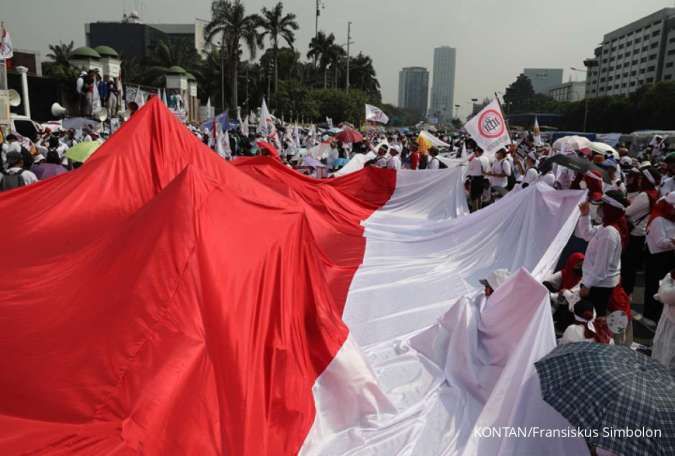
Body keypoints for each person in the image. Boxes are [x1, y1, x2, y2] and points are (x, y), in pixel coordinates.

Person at [576, 191, 629, 342]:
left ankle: (598, 342)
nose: (599, 210)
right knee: (595, 319)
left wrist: (587, 285)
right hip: (599, 282)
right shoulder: (607, 228)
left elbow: (602, 266)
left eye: (603, 207)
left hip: (599, 285)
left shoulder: (609, 233)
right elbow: (587, 234)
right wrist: (585, 215)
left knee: (595, 320)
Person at [622, 166, 661, 296]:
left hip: (635, 232)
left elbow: (628, 212)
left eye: (641, 178)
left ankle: (627, 290)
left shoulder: (645, 195)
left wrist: (626, 203)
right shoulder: (655, 192)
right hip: (642, 232)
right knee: (632, 264)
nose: (639, 181)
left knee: (628, 265)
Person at [644, 192, 675, 323]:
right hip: (657, 258)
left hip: (668, 256)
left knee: (666, 285)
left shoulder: (670, 217)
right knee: (655, 285)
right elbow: (659, 242)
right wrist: (673, 241)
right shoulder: (658, 219)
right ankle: (651, 315)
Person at [652, 268, 675, 374]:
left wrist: (667, 279)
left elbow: (667, 295)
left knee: (665, 358)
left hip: (671, 325)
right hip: (669, 319)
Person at [467, 146, 490, 212]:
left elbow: (469, 168)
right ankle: (480, 210)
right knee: (480, 195)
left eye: (475, 152)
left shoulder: (475, 159)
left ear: (477, 152)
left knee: (474, 197)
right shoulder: (486, 158)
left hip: (476, 179)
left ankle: (475, 212)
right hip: (482, 179)